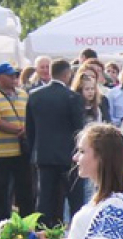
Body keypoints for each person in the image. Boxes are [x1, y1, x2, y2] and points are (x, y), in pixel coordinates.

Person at [27, 58, 86, 226]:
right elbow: (79, 129)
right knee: (75, 198)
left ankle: (41, 234)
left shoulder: (35, 96)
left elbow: (29, 129)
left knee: (44, 198)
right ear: (67, 75)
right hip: (70, 155)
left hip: (43, 154)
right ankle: (77, 230)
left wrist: (33, 151)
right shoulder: (73, 97)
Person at [0, 63, 33, 226]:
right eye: (9, 75)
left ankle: (27, 225)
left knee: (25, 190)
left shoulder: (23, 94)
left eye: (15, 75)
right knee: (1, 191)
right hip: (1, 152)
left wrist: (27, 130)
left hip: (22, 151)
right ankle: (2, 225)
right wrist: (20, 130)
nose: (14, 78)